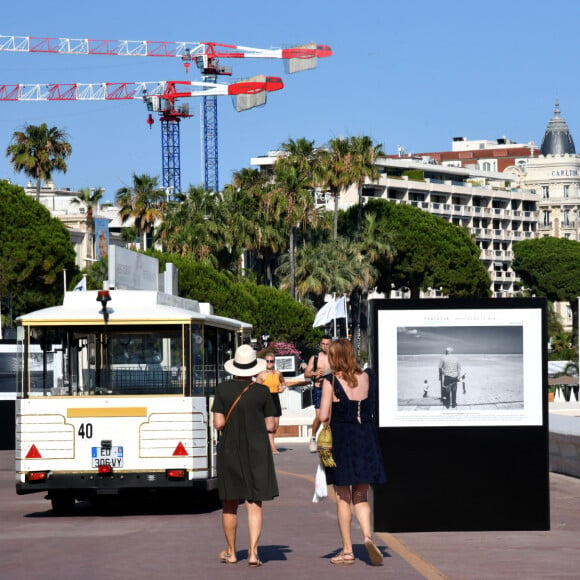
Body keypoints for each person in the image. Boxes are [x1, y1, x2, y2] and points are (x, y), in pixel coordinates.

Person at [319, 338, 386, 566]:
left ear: (334, 357)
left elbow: (323, 416)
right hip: (366, 436)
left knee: (342, 496)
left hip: (343, 439)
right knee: (361, 494)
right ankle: (367, 537)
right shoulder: (368, 376)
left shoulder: (330, 380)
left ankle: (347, 550)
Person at [212, 344, 279, 567]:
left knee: (230, 503)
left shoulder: (222, 389)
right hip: (257, 450)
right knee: (254, 503)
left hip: (230, 449)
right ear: (253, 368)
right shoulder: (262, 392)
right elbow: (271, 425)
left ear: (234, 367)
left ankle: (232, 552)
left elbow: (219, 422)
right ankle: (253, 553)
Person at [304, 335, 332, 452]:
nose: (325, 346)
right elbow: (306, 374)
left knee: (329, 417)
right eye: (323, 344)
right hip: (318, 389)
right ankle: (314, 437)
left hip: (331, 388)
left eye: (327, 344)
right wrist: (315, 374)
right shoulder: (315, 358)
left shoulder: (335, 358)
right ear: (320, 344)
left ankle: (327, 439)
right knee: (320, 417)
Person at [256, 355, 287, 454]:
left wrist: (282, 388)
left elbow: (283, 382)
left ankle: (268, 444)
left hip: (275, 398)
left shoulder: (278, 373)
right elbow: (256, 389)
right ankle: (272, 447)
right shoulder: (261, 375)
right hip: (266, 399)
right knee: (270, 426)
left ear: (274, 362)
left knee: (276, 425)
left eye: (271, 361)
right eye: (267, 361)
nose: (269, 363)